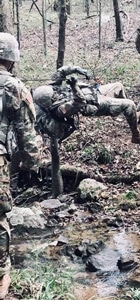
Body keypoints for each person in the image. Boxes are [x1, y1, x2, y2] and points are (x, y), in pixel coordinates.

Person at [0, 33, 39, 298]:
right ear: (12, 58)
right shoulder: (12, 86)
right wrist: (32, 164)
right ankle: (2, 272)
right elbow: (26, 131)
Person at [33, 64, 140, 145]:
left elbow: (61, 71)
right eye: (53, 95)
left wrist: (76, 69)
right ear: (48, 101)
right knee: (130, 104)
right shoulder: (60, 110)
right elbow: (80, 102)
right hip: (93, 104)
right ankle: (136, 135)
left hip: (92, 92)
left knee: (118, 86)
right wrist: (74, 86)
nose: (55, 93)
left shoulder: (49, 90)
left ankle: (130, 116)